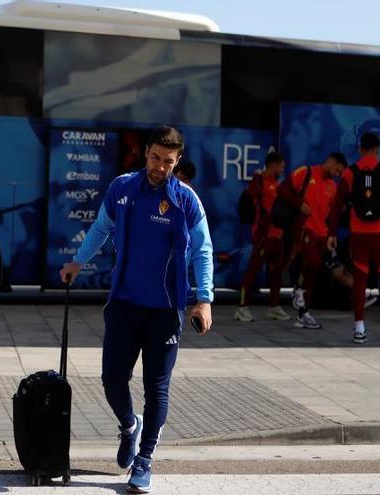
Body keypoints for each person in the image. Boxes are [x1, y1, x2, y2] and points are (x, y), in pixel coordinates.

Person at [60, 126, 214, 494]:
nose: (160, 167)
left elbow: (203, 249)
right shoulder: (122, 188)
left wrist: (204, 298)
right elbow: (101, 228)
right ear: (146, 152)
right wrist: (78, 262)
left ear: (177, 163)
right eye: (156, 158)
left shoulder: (186, 200)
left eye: (169, 162)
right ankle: (130, 426)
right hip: (124, 304)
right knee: (112, 380)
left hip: (165, 311)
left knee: (156, 388)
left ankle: (144, 461)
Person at [327, 133, 380, 344]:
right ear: (378, 149)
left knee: (359, 280)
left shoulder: (348, 173)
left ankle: (359, 329)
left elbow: (337, 206)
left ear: (359, 148)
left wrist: (331, 233)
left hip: (358, 235)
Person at [280, 152, 347, 329]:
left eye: (340, 173)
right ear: (331, 161)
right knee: (314, 262)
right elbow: (283, 190)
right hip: (305, 229)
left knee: (313, 272)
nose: (337, 174)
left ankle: (303, 314)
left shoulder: (332, 186)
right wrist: (299, 203)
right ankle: (298, 289)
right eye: (337, 170)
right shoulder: (306, 172)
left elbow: (333, 213)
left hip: (321, 233)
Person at [234, 152, 291, 322]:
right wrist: (258, 178)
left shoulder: (278, 184)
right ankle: (241, 308)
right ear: (273, 165)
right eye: (281, 165)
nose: (283, 169)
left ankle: (274, 307)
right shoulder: (260, 180)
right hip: (263, 236)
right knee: (253, 271)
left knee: (276, 273)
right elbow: (251, 196)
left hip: (278, 236)